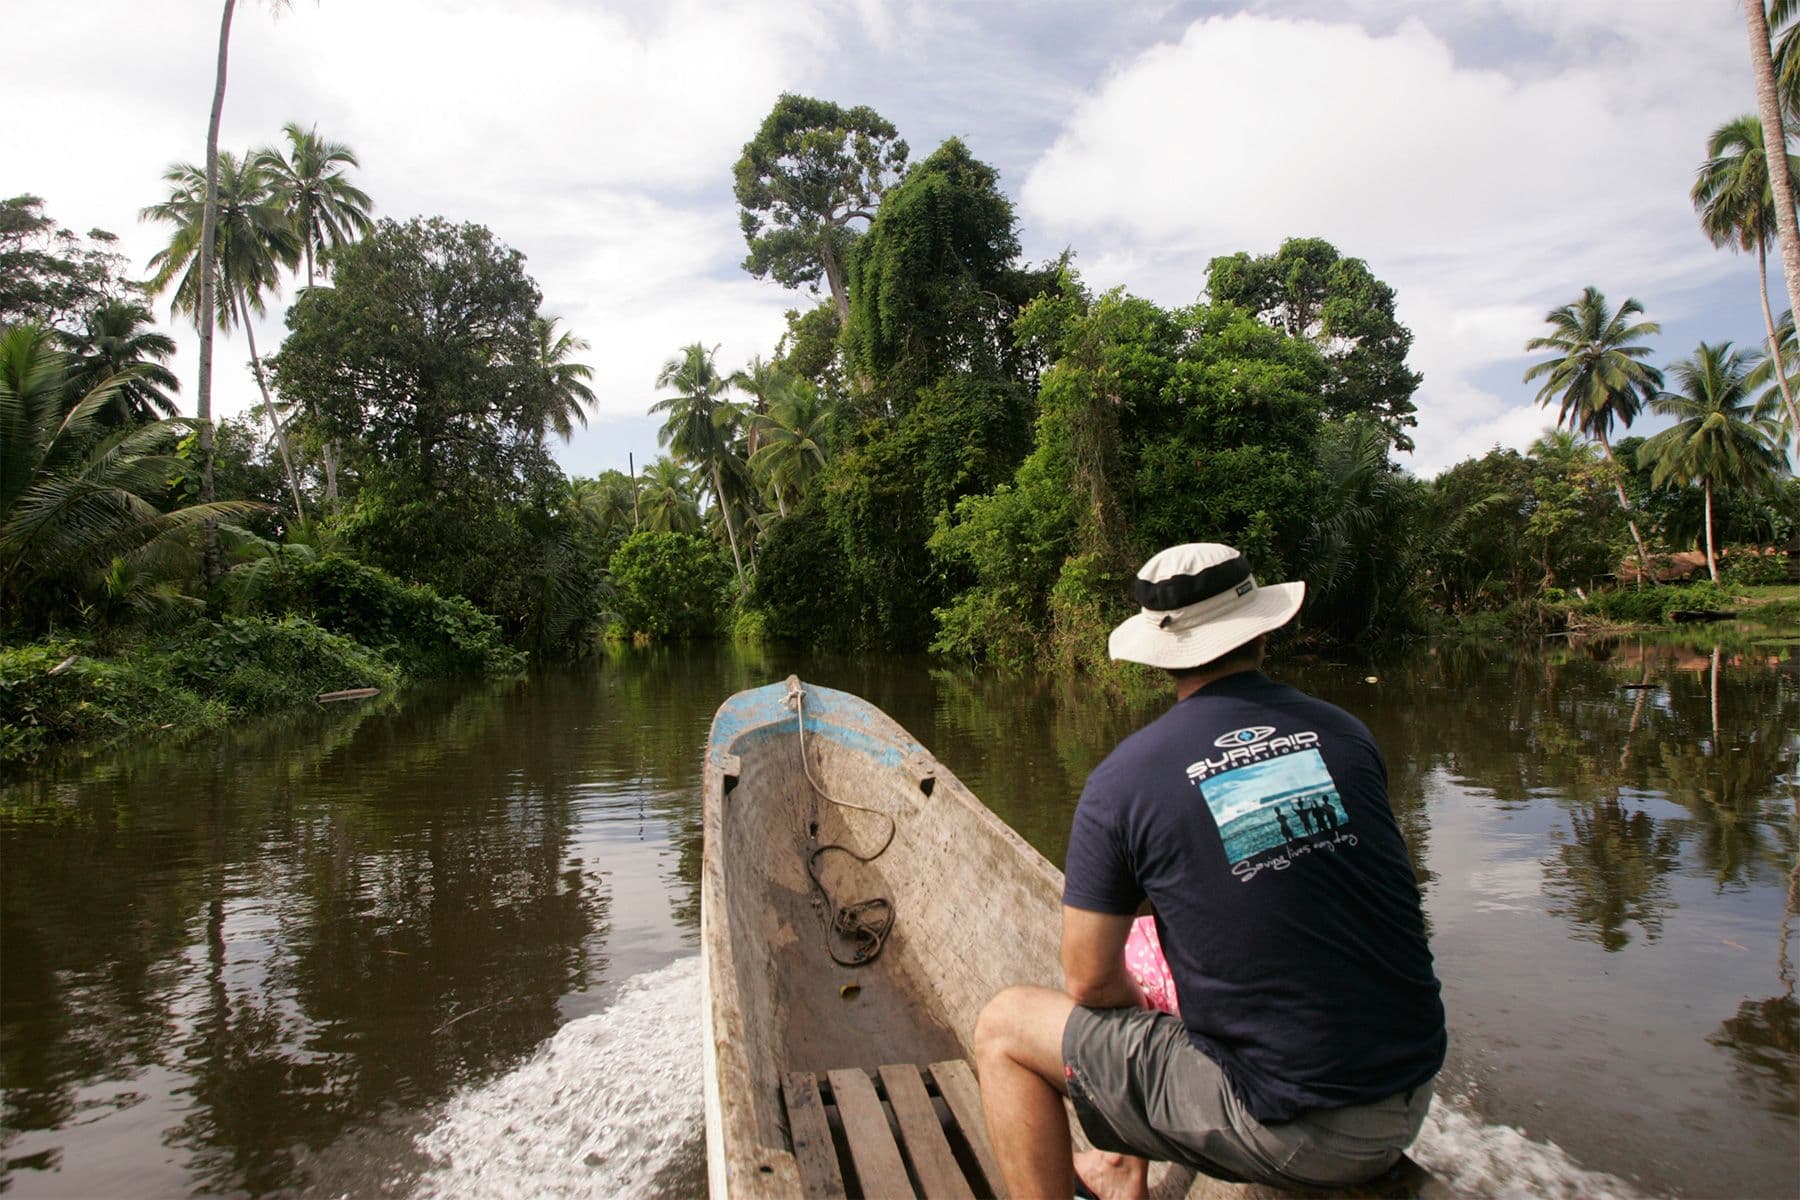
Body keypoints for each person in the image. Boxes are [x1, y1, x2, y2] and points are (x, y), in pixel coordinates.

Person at [973, 542, 1445, 1200]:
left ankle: (1111, 1168)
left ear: (1161, 655)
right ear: (1260, 630)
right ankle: (1121, 1169)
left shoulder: (1125, 782)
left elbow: (1086, 980)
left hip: (1296, 1124)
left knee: (1003, 1026)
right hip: (1411, 1090)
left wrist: (1142, 1021)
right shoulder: (1345, 733)